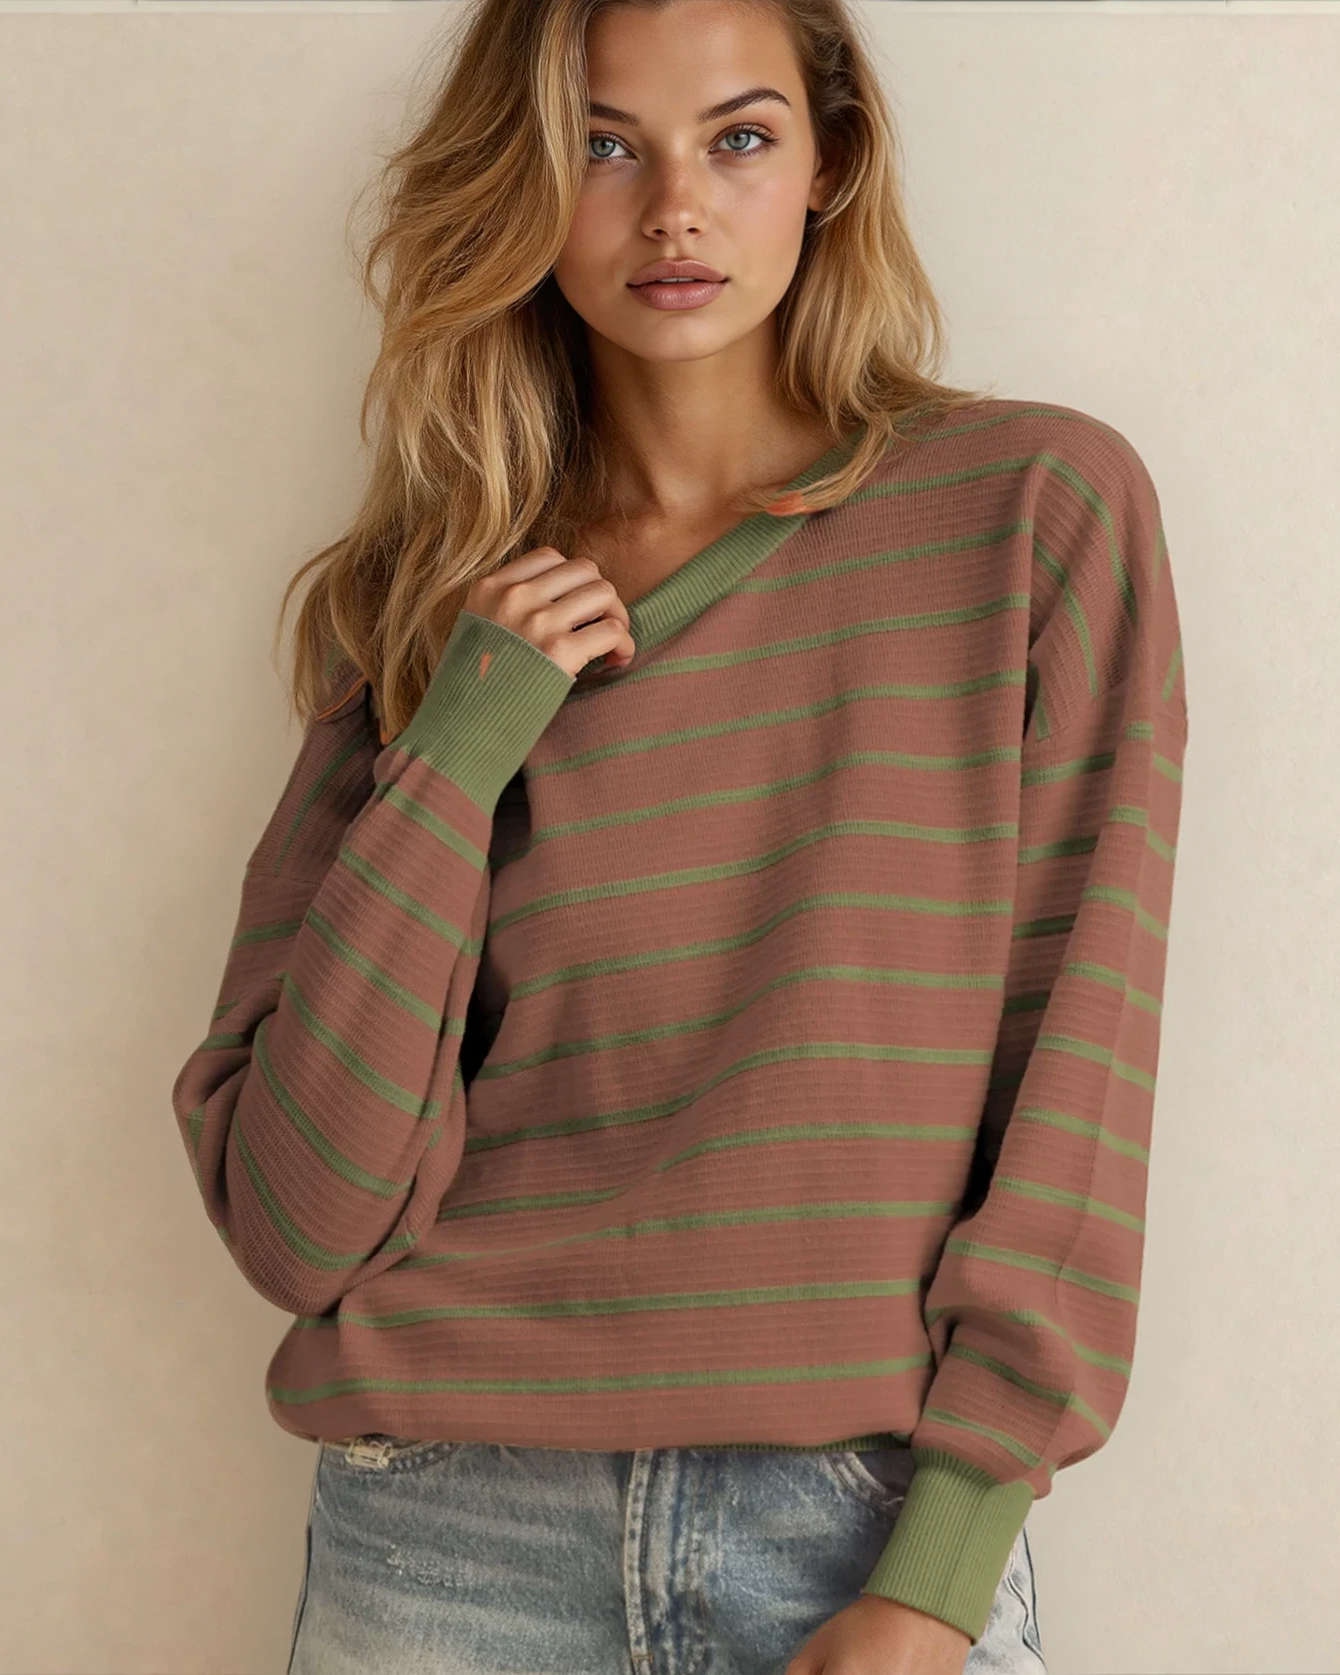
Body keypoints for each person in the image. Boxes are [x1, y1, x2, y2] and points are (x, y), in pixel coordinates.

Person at [169, 0, 1189, 1671]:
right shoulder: (428, 613)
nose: (675, 211)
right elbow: (300, 1222)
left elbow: (1080, 1068)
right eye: (601, 144)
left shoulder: (1032, 515)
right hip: (444, 1541)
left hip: (852, 1531)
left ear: (830, 162)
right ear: (522, 176)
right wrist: (458, 747)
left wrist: (941, 1569)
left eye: (739, 137)